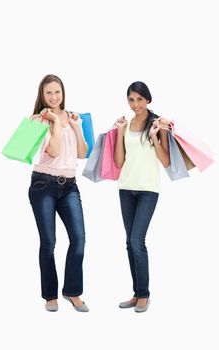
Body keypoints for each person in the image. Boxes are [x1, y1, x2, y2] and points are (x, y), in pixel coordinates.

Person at [28, 74, 89, 312]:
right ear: (42, 96)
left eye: (57, 92)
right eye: (48, 93)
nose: (54, 97)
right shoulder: (39, 120)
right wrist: (53, 121)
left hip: (70, 186)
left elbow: (82, 153)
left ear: (63, 92)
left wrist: (75, 126)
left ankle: (72, 291)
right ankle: (50, 295)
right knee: (49, 241)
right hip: (43, 185)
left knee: (79, 239)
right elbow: (52, 151)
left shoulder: (73, 117)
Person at [114, 81, 170, 312]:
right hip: (126, 187)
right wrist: (119, 132)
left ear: (148, 99)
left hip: (148, 189)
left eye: (139, 99)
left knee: (138, 240)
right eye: (131, 99)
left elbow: (166, 161)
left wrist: (156, 136)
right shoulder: (126, 126)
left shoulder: (158, 124)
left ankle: (145, 295)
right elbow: (119, 162)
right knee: (129, 243)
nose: (135, 104)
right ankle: (137, 294)